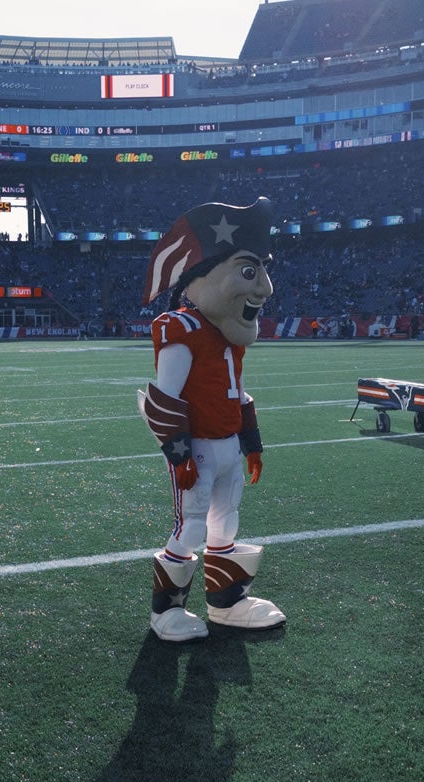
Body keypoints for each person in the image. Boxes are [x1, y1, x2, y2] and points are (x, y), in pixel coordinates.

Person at [137, 197, 285, 642]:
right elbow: (165, 399)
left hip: (228, 445)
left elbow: (238, 392)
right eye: (249, 271)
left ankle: (227, 603)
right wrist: (179, 455)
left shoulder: (226, 334)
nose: (265, 288)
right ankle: (166, 610)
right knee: (193, 526)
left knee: (227, 522)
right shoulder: (181, 328)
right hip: (198, 448)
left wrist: (252, 443)